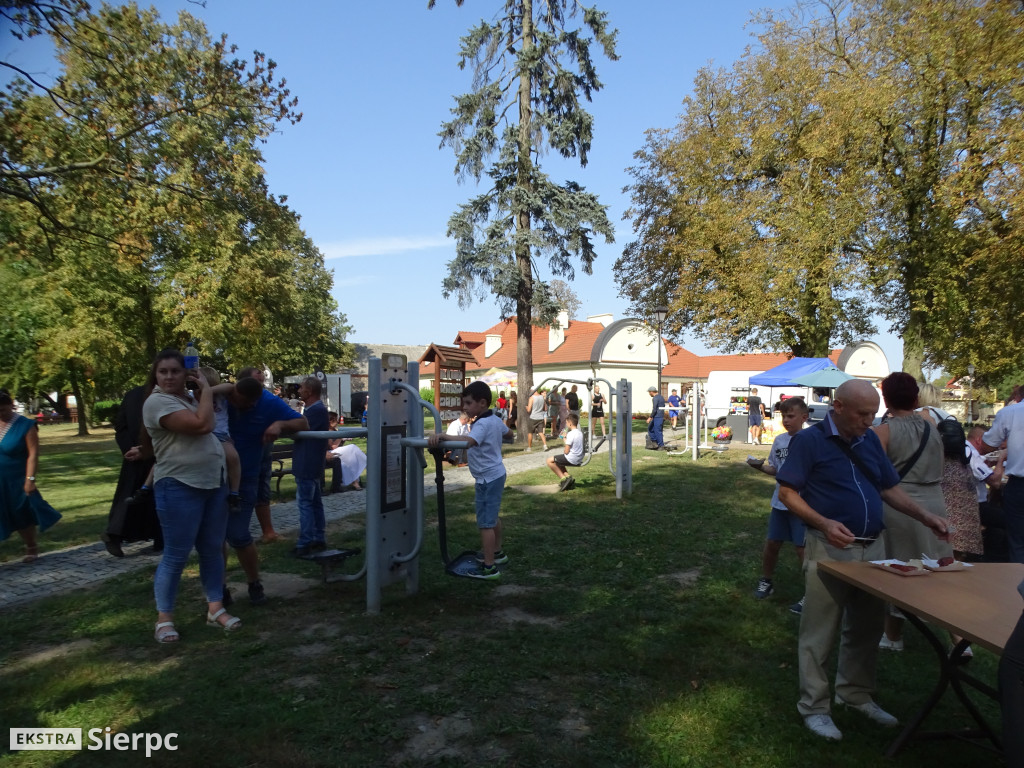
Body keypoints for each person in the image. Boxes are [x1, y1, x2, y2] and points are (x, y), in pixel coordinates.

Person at [776, 379, 949, 742]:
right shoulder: (809, 441)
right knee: (819, 633)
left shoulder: (870, 440)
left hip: (874, 548)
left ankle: (855, 695)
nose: (870, 420)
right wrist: (822, 522)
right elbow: (788, 492)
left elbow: (889, 488)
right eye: (862, 414)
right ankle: (815, 707)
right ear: (837, 408)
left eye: (873, 413)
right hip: (829, 547)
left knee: (867, 627)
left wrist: (925, 516)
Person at [140, 350, 238, 643]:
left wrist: (203, 391)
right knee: (176, 555)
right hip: (178, 485)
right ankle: (164, 619)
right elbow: (202, 426)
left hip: (212, 483)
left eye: (175, 371)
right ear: (156, 376)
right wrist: (207, 390)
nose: (169, 376)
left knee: (211, 549)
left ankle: (215, 609)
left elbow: (229, 392)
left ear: (186, 374)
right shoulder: (158, 401)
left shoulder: (188, 399)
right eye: (163, 372)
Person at [873, 373, 951, 652]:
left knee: (900, 566)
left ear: (885, 398)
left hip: (901, 503)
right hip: (935, 499)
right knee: (938, 564)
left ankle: (893, 636)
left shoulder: (881, 432)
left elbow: (878, 475)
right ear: (916, 398)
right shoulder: (932, 425)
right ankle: (958, 639)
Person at [227, 375, 308, 605]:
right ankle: (218, 590)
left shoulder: (269, 403)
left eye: (249, 404)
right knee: (214, 538)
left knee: (239, 535)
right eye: (240, 401)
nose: (244, 407)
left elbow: (303, 424)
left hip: (246, 477)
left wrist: (280, 424)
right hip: (212, 477)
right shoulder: (224, 397)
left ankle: (254, 583)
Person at [427, 381, 510, 580]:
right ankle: (497, 553)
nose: (464, 407)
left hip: (487, 478)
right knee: (492, 516)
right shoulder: (495, 419)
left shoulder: (482, 423)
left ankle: (489, 567)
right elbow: (510, 434)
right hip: (495, 474)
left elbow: (468, 442)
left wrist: (443, 436)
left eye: (468, 403)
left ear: (482, 403)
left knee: (485, 523)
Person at [747, 397, 808, 613]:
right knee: (772, 543)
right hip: (780, 502)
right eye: (783, 416)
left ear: (804, 417)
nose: (786, 420)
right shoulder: (780, 440)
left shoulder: (811, 440)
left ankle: (811, 594)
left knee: (802, 549)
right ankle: (767, 581)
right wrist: (759, 467)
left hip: (802, 504)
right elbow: (775, 468)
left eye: (791, 416)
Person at [0, 390, 60, 562]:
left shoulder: (25, 425)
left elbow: (33, 454)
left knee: (21, 514)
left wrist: (30, 479)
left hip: (16, 478)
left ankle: (31, 545)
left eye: (3, 410)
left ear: (11, 406)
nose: (0, 414)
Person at [102, 385, 162, 558]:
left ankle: (116, 533)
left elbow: (120, 426)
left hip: (138, 451)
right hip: (155, 451)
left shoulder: (132, 394)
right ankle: (157, 537)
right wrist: (137, 450)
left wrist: (130, 448)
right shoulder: (167, 395)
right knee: (152, 494)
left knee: (131, 494)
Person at [236, 366, 283, 544]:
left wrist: (279, 424)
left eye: (262, 375)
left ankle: (267, 531)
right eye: (256, 373)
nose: (261, 374)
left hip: (262, 455)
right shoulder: (229, 398)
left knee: (262, 490)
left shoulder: (270, 399)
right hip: (239, 460)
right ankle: (238, 533)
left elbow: (299, 421)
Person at [978, 395, 1024, 563]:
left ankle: (1018, 585)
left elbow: (987, 444)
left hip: (1020, 485)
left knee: (1018, 541)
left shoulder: (1010, 412)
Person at [291, 376, 331, 558]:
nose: (299, 391)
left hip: (307, 461)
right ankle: (318, 537)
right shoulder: (316, 410)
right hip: (312, 461)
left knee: (306, 503)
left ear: (309, 391)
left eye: (301, 388)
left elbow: (298, 433)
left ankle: (305, 542)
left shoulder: (315, 411)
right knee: (314, 502)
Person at [547, 413, 584, 491]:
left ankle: (563, 479)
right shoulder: (580, 433)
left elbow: (566, 451)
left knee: (549, 461)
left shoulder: (571, 434)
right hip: (579, 457)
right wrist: (564, 438)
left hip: (572, 458)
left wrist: (565, 450)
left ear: (570, 423)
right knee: (558, 460)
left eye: (567, 423)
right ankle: (568, 477)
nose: (566, 425)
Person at [526, 388, 549, 453]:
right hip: (540, 417)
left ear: (533, 390)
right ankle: (545, 445)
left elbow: (529, 410)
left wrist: (527, 407)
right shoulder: (542, 397)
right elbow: (544, 408)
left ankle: (529, 448)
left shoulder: (531, 398)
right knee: (541, 433)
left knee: (530, 433)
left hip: (533, 417)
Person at [646, 386, 667, 450]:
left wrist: (650, 417)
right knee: (651, 428)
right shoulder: (661, 397)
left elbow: (655, 409)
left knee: (657, 430)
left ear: (651, 392)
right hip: (659, 415)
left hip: (657, 416)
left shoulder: (655, 398)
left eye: (649, 392)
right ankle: (654, 442)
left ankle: (661, 445)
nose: (649, 394)